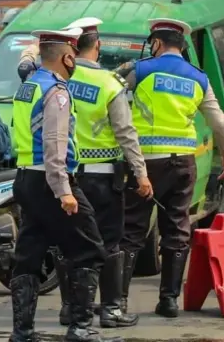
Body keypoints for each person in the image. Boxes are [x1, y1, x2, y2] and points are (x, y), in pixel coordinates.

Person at [9, 27, 119, 342]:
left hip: (26, 177)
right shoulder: (56, 91)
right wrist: (65, 192)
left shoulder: (29, 85)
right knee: (90, 248)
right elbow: (55, 144)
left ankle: (22, 332)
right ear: (68, 57)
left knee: (29, 252)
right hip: (51, 179)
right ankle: (81, 328)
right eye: (72, 57)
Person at [120, 18, 224, 318]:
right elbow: (219, 122)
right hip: (183, 162)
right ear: (182, 46)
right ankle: (169, 300)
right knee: (177, 226)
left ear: (156, 43)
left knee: (132, 228)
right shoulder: (198, 78)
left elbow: (113, 101)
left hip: (146, 162)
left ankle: (117, 301)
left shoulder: (141, 70)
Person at [53, 17, 152, 329]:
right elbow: (126, 133)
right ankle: (110, 309)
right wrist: (141, 173)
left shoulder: (60, 79)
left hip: (67, 177)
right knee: (109, 242)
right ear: (97, 46)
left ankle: (70, 308)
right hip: (102, 179)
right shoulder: (109, 84)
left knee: (70, 241)